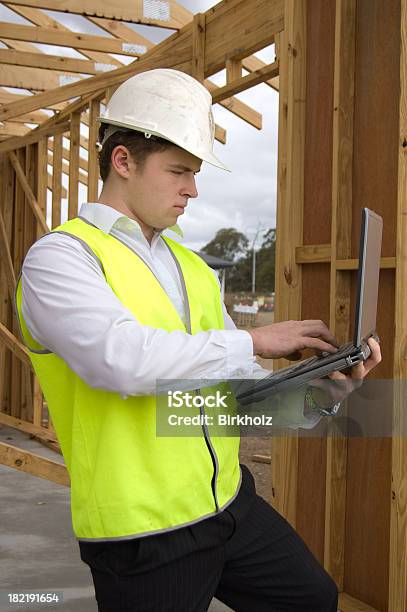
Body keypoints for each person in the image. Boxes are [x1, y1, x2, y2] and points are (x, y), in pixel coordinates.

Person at [15, 69, 381, 612]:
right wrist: (254, 339)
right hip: (146, 533)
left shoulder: (193, 268)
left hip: (229, 503)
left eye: (196, 172)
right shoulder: (62, 259)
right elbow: (123, 363)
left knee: (312, 598)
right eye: (179, 171)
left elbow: (231, 396)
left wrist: (323, 396)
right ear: (123, 162)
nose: (193, 188)